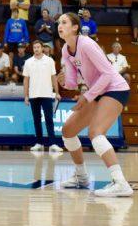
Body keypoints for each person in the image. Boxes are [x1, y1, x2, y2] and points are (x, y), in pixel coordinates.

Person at [56, 12, 133, 196]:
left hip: (115, 88)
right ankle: (81, 177)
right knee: (68, 131)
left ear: (75, 27)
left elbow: (107, 73)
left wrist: (87, 96)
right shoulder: (66, 50)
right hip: (97, 91)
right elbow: (73, 83)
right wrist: (64, 82)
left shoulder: (87, 43)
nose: (60, 25)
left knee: (96, 133)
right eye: (59, 22)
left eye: (64, 22)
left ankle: (120, 183)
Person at [24, 41, 62, 153]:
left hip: (47, 94)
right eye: (34, 47)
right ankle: (39, 143)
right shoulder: (28, 62)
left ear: (42, 48)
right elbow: (26, 80)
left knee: (49, 119)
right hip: (33, 95)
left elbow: (53, 77)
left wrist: (57, 92)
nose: (36, 49)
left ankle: (53, 143)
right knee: (36, 120)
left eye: (38, 47)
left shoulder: (50, 61)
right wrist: (26, 95)